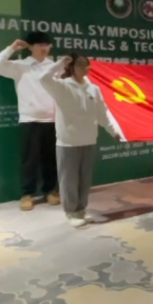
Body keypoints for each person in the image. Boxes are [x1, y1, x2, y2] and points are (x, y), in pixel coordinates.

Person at [38, 53, 125, 228]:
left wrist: (113, 131)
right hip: (68, 142)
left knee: (85, 180)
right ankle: (70, 212)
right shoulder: (61, 86)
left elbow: (102, 114)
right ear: (71, 67)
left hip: (89, 140)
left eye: (87, 65)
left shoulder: (94, 89)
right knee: (69, 180)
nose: (85, 68)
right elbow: (43, 78)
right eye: (80, 65)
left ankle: (81, 211)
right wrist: (60, 63)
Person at [0, 32, 60, 211]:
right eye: (40, 44)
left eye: (47, 45)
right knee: (30, 160)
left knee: (50, 158)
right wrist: (12, 48)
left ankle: (51, 190)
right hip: (29, 120)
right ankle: (27, 194)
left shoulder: (55, 67)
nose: (44, 48)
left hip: (52, 120)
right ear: (31, 46)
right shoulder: (21, 66)